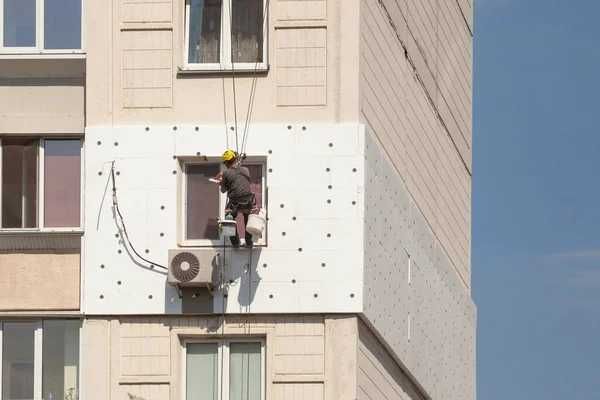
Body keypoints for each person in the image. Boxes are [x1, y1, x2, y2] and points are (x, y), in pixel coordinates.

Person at [214, 150, 255, 247]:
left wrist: (221, 182)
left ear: (226, 163)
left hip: (235, 202)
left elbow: (223, 190)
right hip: (247, 201)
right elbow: (238, 175)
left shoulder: (226, 173)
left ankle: (235, 243)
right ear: (235, 159)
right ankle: (249, 242)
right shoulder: (246, 170)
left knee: (228, 218)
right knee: (248, 219)